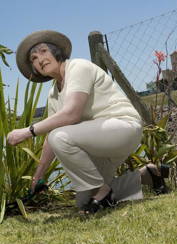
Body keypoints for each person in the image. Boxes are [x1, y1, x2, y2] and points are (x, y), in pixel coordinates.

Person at [7, 30, 143, 214]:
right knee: (83, 202)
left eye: (44, 51)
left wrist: (27, 131)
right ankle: (148, 175)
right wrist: (38, 176)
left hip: (122, 127)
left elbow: (71, 114)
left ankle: (102, 191)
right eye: (34, 58)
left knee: (60, 137)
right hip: (98, 142)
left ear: (56, 52)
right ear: (35, 69)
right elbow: (50, 139)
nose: (40, 59)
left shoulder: (77, 67)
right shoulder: (53, 93)